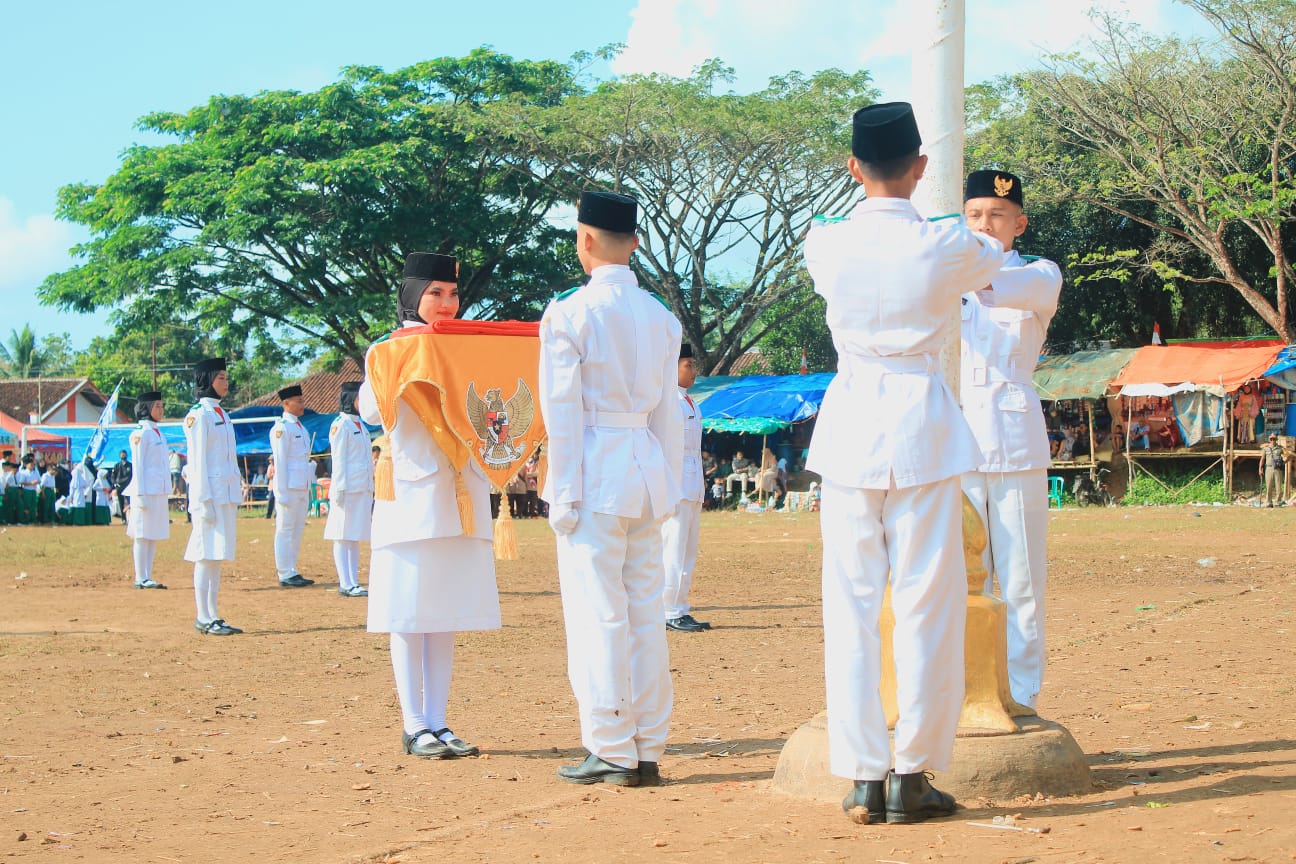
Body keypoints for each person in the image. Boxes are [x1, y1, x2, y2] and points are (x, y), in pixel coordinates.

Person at [803, 102, 1007, 824]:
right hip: (921, 422)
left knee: (851, 604)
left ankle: (862, 773)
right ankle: (911, 773)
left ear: (853, 168)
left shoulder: (823, 242)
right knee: (928, 601)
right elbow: (991, 258)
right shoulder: (948, 243)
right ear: (920, 168)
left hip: (853, 421)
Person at [540, 190, 683, 787]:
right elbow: (669, 415)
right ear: (635, 242)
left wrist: (561, 491)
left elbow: (562, 413)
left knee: (598, 614)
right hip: (645, 470)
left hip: (596, 470)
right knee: (645, 614)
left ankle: (610, 744)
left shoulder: (569, 313)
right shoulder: (660, 315)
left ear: (587, 240)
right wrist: (670, 484)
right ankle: (648, 744)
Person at [359, 251, 500, 760]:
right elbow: (372, 409)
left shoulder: (469, 346)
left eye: (453, 293)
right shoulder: (389, 348)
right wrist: (412, 354)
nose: (445, 303)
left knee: (444, 613)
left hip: (461, 493)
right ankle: (413, 723)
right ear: (412, 296)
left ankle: (439, 721)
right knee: (409, 612)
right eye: (435, 293)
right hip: (411, 497)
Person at [957, 169, 1062, 714]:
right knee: (958, 578)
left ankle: (1021, 693)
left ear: (1018, 222)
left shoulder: (1040, 274)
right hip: (958, 444)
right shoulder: (947, 279)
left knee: (1020, 577)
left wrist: (956, 259)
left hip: (1016, 439)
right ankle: (963, 689)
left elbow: (995, 285)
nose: (984, 224)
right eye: (973, 215)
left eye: (996, 216)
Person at [184, 357, 244, 636]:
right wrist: (202, 500)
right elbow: (197, 464)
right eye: (221, 378)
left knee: (216, 556)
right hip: (209, 496)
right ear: (207, 380)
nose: (226, 382)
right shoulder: (199, 416)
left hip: (224, 494)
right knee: (205, 556)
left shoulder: (222, 413)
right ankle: (202, 615)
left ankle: (214, 613)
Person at [662, 343, 710, 633]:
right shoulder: (667, 402)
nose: (693, 370)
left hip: (693, 484)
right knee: (672, 550)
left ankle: (680, 607)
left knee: (687, 552)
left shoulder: (690, 402)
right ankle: (667, 610)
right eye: (687, 364)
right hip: (675, 484)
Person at [324, 381, 372, 597]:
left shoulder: (360, 425)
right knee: (342, 535)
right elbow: (339, 460)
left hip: (361, 487)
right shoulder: (341, 425)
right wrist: (339, 489)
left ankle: (353, 580)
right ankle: (345, 582)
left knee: (354, 535)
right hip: (347, 487)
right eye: (359, 399)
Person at [269, 384, 315, 588]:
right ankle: (284, 572)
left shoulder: (300, 427)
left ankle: (292, 569)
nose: (302, 404)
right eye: (299, 401)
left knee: (296, 530)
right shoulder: (282, 428)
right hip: (288, 486)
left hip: (301, 484)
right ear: (286, 403)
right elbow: (280, 462)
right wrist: (281, 492)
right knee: (285, 529)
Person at [124, 391, 170, 589]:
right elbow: (139, 466)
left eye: (161, 406)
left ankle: (148, 575)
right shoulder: (140, 433)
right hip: (144, 491)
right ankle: (140, 577)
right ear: (146, 408)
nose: (160, 410)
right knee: (142, 534)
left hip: (157, 490)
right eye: (157, 406)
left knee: (152, 534)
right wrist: (140, 493)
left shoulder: (157, 432)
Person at [1259, 432, 1286, 507]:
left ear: (1276, 439)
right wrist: (1260, 469)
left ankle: (1277, 502)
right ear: (1269, 440)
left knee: (1278, 486)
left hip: (1278, 469)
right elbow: (1262, 459)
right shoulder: (1266, 448)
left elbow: (1286, 455)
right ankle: (1268, 502)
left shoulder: (1280, 448)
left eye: (1274, 439)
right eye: (1271, 439)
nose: (1272, 440)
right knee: (1269, 486)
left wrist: (1283, 461)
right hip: (1269, 468)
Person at [16, 453, 41, 523]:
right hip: (27, 490)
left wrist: (36, 482)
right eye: (31, 465)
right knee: (27, 506)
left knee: (33, 506)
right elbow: (21, 482)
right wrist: (30, 483)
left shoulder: (35, 472)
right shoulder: (24, 473)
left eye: (33, 465)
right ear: (27, 465)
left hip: (33, 490)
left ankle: (33, 520)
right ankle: (26, 520)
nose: (32, 466)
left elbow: (39, 480)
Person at [110, 449, 133, 524]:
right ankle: (123, 519)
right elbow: (113, 476)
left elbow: (131, 476)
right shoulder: (117, 465)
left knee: (131, 503)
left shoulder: (130, 465)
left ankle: (132, 518)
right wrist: (115, 484)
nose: (123, 456)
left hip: (128, 487)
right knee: (121, 503)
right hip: (119, 487)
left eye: (124, 454)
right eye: (122, 454)